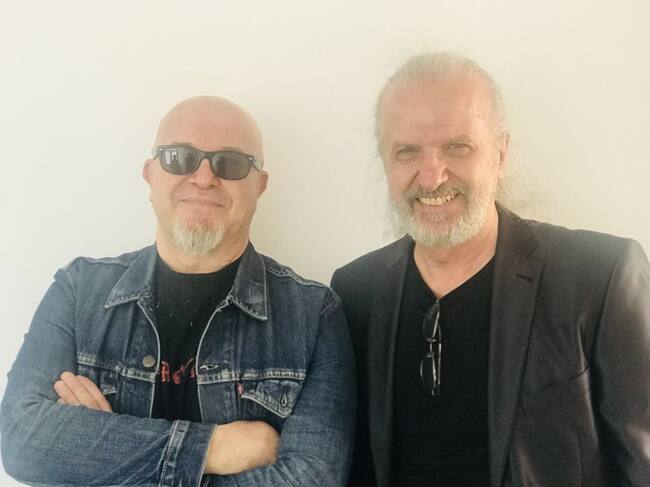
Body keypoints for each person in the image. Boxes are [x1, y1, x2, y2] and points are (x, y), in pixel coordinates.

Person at [331, 52, 650, 486]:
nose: (431, 177)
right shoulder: (355, 292)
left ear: (500, 154)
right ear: (385, 162)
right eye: (407, 151)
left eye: (457, 147)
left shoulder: (600, 277)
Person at [1, 96, 355, 486]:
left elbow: (314, 478)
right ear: (150, 174)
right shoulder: (77, 290)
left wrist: (99, 454)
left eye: (230, 163)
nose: (203, 178)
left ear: (260, 185)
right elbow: (21, 440)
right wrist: (214, 448)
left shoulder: (313, 314)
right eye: (179, 158)